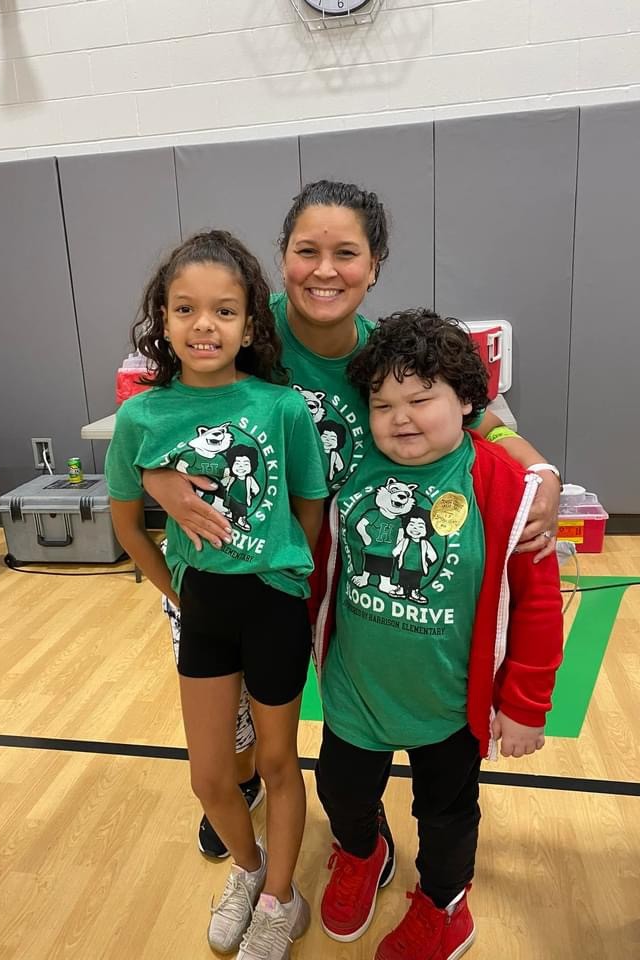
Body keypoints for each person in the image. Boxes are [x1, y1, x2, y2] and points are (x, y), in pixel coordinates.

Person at [143, 180, 563, 864]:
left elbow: (479, 418)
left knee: (308, 710)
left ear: (374, 266)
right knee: (232, 714)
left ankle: (352, 824)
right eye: (308, 250)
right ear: (283, 259)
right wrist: (155, 473)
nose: (326, 269)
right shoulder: (245, 329)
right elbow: (153, 399)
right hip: (220, 559)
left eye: (347, 253)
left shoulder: (382, 358)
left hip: (324, 568)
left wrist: (540, 472)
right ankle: (239, 786)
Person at [310, 309, 564, 960]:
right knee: (341, 792)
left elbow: (536, 605)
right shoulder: (352, 468)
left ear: (468, 401)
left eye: (421, 398)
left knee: (447, 819)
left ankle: (445, 905)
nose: (401, 416)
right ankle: (362, 853)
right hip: (353, 694)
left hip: (449, 708)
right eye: (383, 402)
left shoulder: (504, 486)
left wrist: (525, 705)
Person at [105, 231, 327, 958]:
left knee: (275, 763)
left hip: (270, 606)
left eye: (225, 311)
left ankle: (280, 898)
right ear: (162, 321)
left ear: (249, 325)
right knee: (209, 777)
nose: (205, 325)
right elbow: (128, 524)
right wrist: (179, 591)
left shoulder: (281, 406)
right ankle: (249, 870)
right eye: (187, 309)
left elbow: (307, 508)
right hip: (204, 610)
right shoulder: (142, 417)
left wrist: (278, 563)